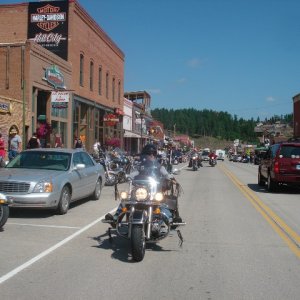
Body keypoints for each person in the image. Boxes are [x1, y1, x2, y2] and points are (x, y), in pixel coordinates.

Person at [104, 143, 183, 226]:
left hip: (154, 192)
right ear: (144, 156)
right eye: (149, 154)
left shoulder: (160, 167)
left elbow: (166, 174)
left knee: (162, 205)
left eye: (153, 154)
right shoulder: (141, 167)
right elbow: (133, 174)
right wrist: (126, 176)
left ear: (155, 155)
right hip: (141, 192)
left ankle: (171, 220)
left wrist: (171, 178)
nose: (151, 155)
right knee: (125, 201)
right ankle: (115, 218)